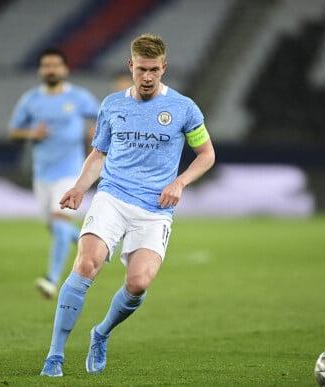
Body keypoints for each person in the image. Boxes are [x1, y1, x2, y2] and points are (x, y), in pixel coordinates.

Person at [40, 33, 216, 377]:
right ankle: (55, 356)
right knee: (87, 264)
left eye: (153, 70)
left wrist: (180, 182)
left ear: (164, 67)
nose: (147, 77)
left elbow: (207, 155)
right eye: (141, 69)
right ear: (130, 66)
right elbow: (99, 154)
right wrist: (79, 187)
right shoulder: (112, 105)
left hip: (154, 209)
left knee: (138, 284)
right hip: (112, 197)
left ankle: (101, 333)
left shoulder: (183, 108)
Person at [8, 47, 100, 299]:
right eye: (46, 66)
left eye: (55, 65)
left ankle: (52, 279)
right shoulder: (31, 100)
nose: (51, 70)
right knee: (55, 227)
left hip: (71, 172)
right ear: (40, 70)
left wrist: (95, 130)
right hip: (42, 174)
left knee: (59, 223)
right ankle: (99, 246)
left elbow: (103, 116)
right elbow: (14, 130)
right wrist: (30, 134)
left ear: (65, 69)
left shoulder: (78, 97)